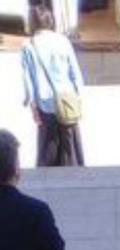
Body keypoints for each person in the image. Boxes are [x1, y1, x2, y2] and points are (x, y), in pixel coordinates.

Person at [21, 6, 84, 169]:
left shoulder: (29, 46)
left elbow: (29, 80)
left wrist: (32, 105)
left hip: (45, 103)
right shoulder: (63, 41)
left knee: (47, 150)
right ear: (50, 20)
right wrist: (78, 95)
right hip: (67, 100)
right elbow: (75, 71)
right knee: (71, 148)